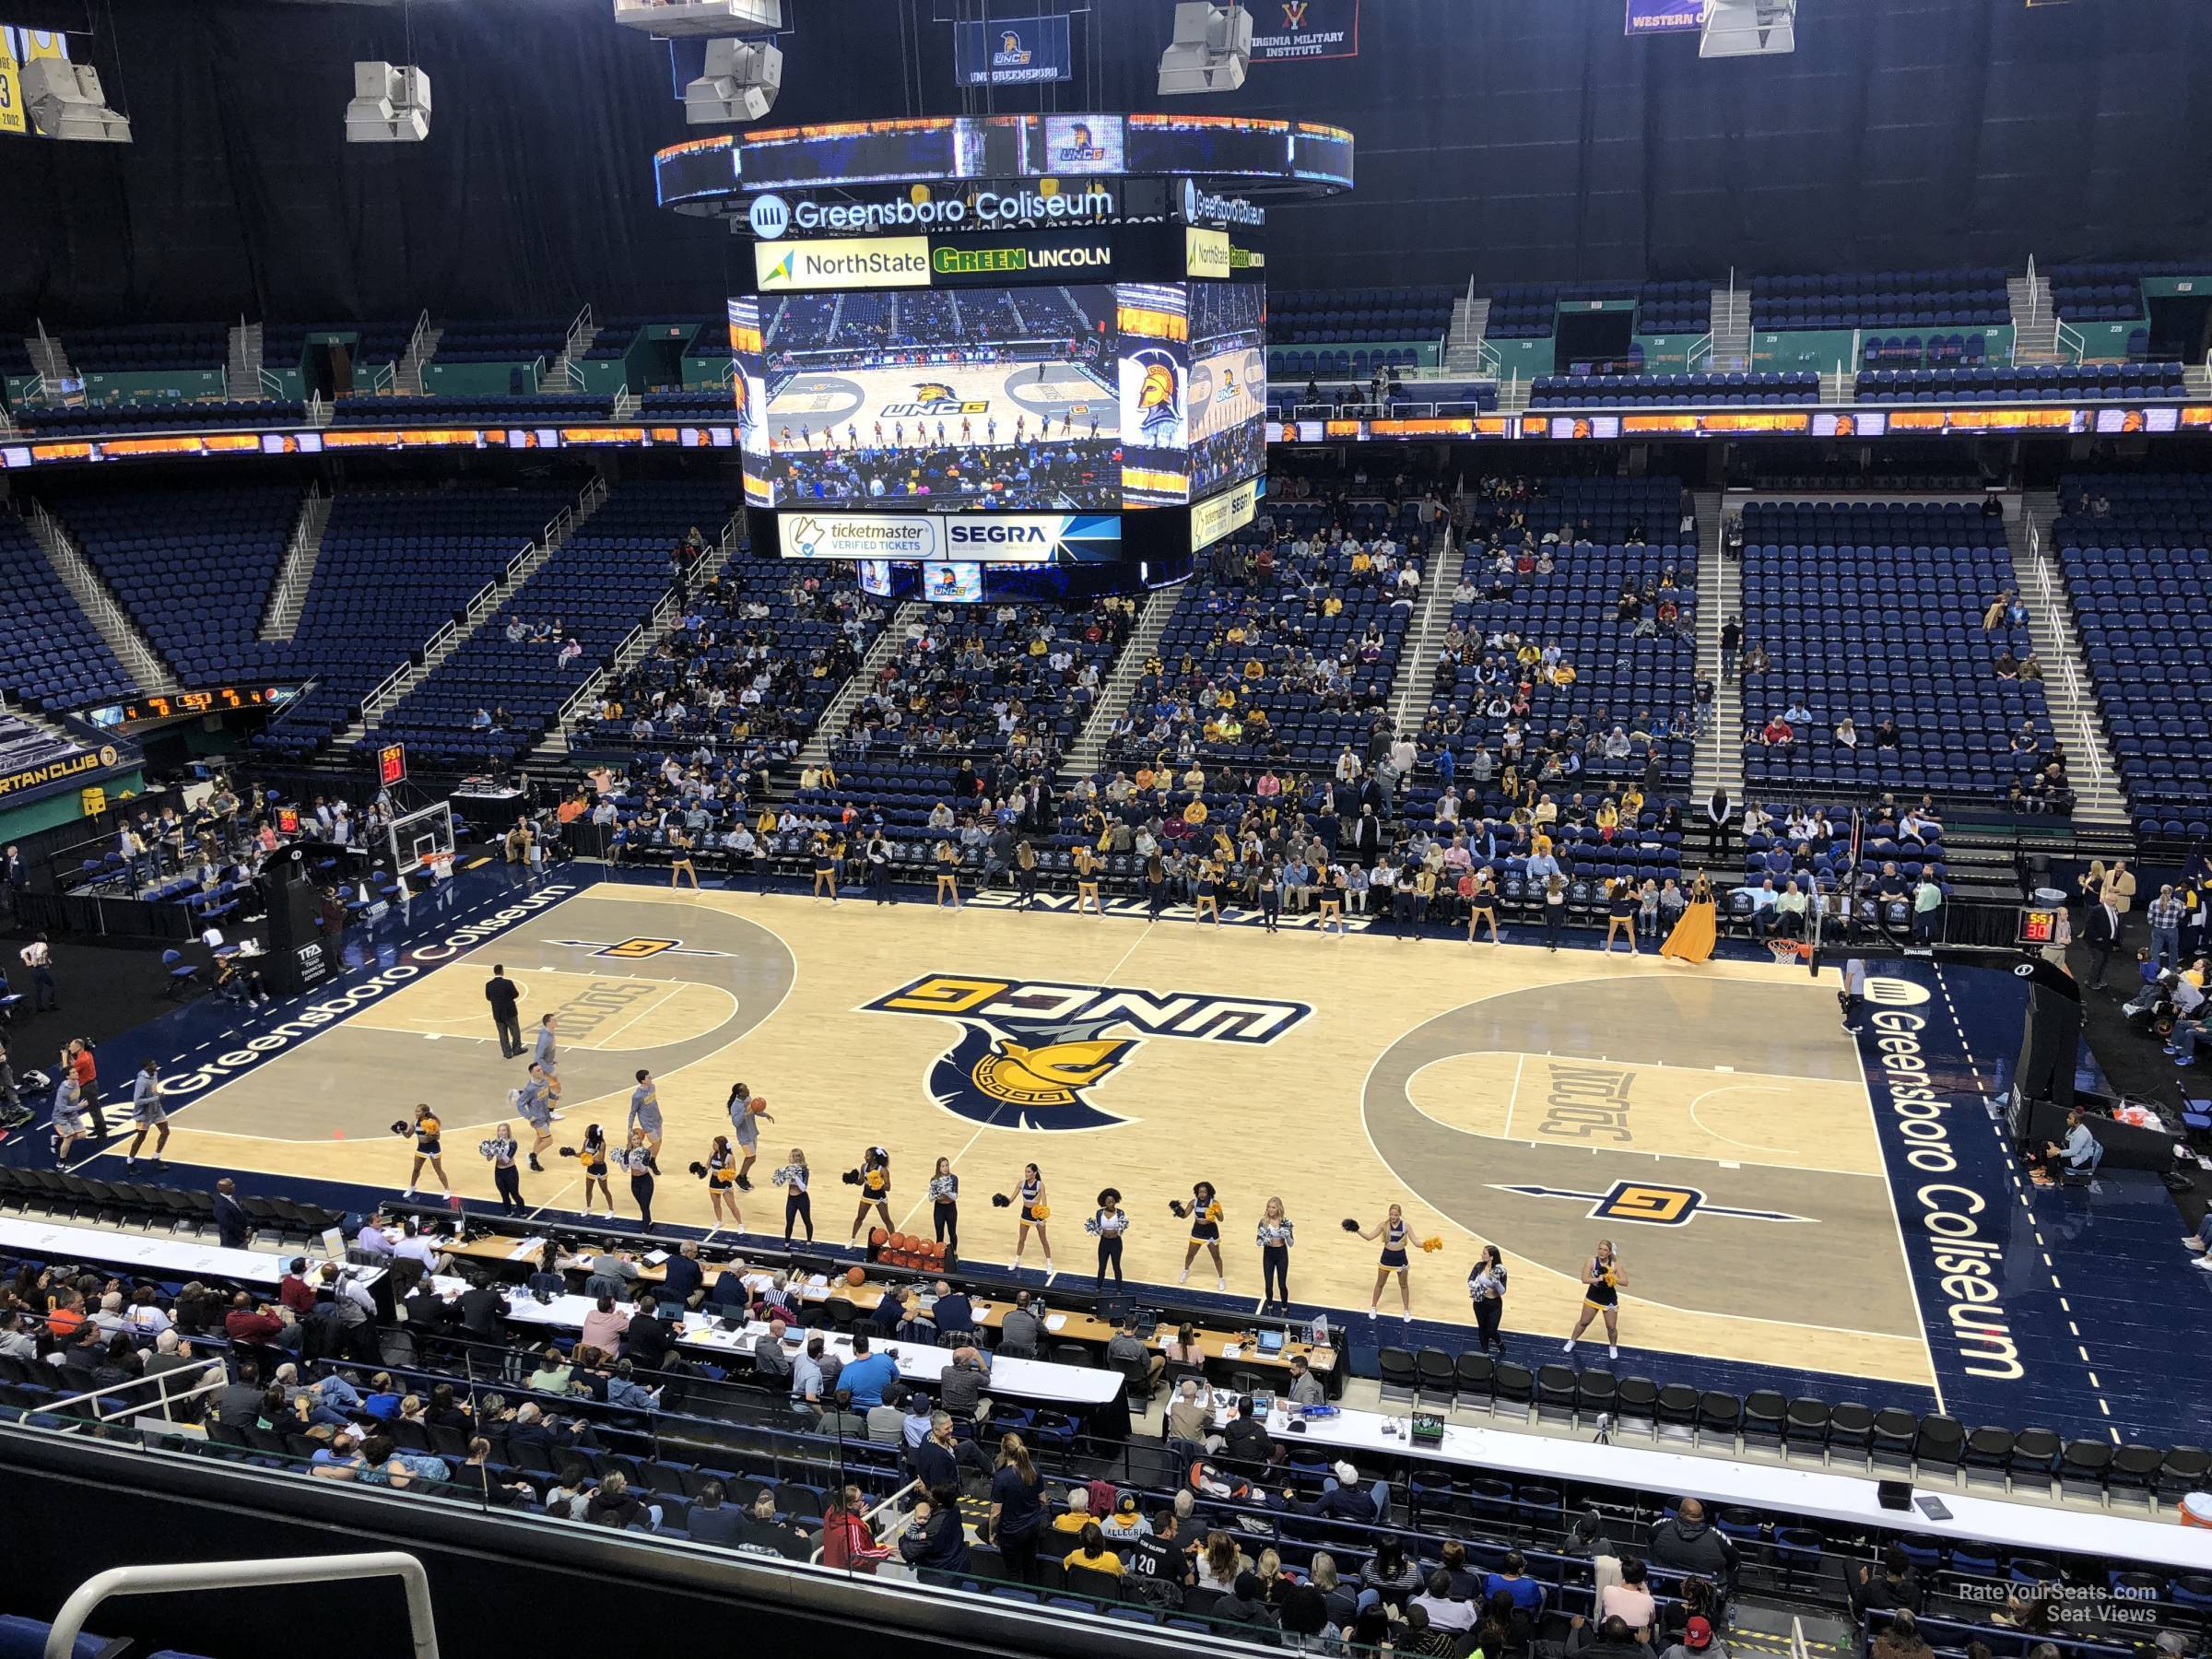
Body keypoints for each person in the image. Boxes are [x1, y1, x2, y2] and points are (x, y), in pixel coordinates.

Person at [987, 1432, 1046, 1583]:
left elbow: (995, 1513)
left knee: (1014, 1572)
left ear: (1004, 1451)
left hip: (1011, 1532)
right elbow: (1043, 1500)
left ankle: (1018, 1602)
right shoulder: (1035, 1469)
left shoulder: (1001, 1478)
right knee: (1030, 1566)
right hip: (1032, 1527)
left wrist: (992, 1534)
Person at [1564, 1239, 1626, 1359]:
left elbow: (1625, 1281)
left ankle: (1613, 1346)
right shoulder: (1591, 1261)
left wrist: (1613, 1278)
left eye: (1605, 1250)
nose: (1602, 1252)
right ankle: (1572, 1341)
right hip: (1593, 1296)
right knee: (1583, 1322)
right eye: (1600, 1249)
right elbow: (1584, 1279)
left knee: (1611, 1327)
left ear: (1609, 1252)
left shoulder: (1615, 1265)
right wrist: (1599, 1279)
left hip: (1609, 1299)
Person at [1361, 1202, 1418, 1320]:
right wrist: (1357, 1230)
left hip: (1401, 1259)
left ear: (1400, 1215)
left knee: (1403, 1285)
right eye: (1391, 1214)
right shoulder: (1383, 1225)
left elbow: (1416, 1242)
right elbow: (1369, 1237)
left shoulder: (1406, 1226)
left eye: (1396, 1215)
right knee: (1380, 1284)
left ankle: (1406, 1310)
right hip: (1386, 1258)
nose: (1393, 1217)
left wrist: (1428, 1245)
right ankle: (1373, 1307)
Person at [1175, 1180, 1226, 1289]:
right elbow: (1184, 1215)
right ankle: (1186, 1270)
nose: (1201, 1194)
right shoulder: (1193, 1202)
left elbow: (1221, 1219)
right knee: (1190, 1254)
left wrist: (1216, 1212)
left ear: (1209, 1192)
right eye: (1200, 1192)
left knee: (1216, 1256)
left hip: (1211, 1231)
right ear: (1197, 1192)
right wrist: (1177, 1210)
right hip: (1197, 1231)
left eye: (1204, 1192)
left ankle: (1221, 1279)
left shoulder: (1214, 1203)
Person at [2033, 1107, 2102, 1185]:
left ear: (2076, 1121)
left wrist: (2057, 1152)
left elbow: (2073, 1152)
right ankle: (2044, 1168)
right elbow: (2066, 1141)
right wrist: (2054, 1146)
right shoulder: (2073, 1128)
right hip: (2071, 1152)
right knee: (2046, 1144)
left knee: (2054, 1154)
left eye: (2070, 1118)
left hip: (2077, 1161)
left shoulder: (2082, 1134)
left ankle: (2049, 1178)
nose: (2067, 1119)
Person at [124, 1059, 170, 1170]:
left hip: (156, 1109)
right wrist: (156, 1097)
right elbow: (137, 1101)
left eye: (155, 1063)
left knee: (165, 1132)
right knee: (141, 1137)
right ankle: (130, 1162)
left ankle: (156, 1157)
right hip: (144, 1113)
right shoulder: (141, 1081)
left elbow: (154, 1090)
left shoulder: (155, 1074)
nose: (155, 1065)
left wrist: (157, 1095)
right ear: (146, 1067)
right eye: (153, 1064)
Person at [1661, 873, 1717, 963]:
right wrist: (1703, 878)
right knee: (1707, 938)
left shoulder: (1698, 898)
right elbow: (1704, 887)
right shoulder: (1710, 896)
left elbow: (1684, 893)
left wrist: (1683, 884)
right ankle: (1708, 953)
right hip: (1706, 924)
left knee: (1690, 937)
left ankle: (1703, 953)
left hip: (1697, 923)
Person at [1009, 1162, 1053, 1274]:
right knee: (1021, 1239)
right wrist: (1003, 1201)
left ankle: (1049, 1263)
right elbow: (1011, 1199)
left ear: (1035, 1173)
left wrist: (1042, 1214)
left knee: (1043, 1240)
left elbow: (1044, 1203)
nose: (1026, 1174)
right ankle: (1017, 1260)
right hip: (1026, 1213)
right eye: (1025, 1171)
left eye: (1028, 1172)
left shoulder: (1040, 1185)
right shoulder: (1021, 1183)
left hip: (1037, 1213)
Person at [727, 1081, 770, 1191]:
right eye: (745, 1089)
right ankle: (741, 1177)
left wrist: (765, 1115)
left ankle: (743, 1175)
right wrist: (744, 1111)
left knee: (751, 1158)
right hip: (744, 1137)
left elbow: (755, 1110)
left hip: (752, 1133)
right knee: (751, 1158)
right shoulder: (735, 1106)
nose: (748, 1090)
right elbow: (736, 1123)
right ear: (740, 1093)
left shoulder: (748, 1099)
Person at [1468, 1242, 1508, 1356]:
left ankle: (1500, 1344)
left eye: (1484, 1253)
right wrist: (1476, 1286)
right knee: (1482, 1327)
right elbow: (1470, 1280)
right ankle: (1485, 1350)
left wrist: (1496, 1282)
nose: (1482, 1254)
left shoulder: (1500, 1270)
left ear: (1491, 1257)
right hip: (1480, 1302)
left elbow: (1502, 1291)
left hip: (1494, 1304)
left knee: (1491, 1330)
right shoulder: (1479, 1266)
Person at [847, 1144, 893, 1242]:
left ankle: (894, 1240)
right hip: (867, 1196)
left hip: (879, 1197)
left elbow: (888, 1187)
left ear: (874, 1157)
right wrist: (853, 1180)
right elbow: (860, 1182)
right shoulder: (864, 1167)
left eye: (867, 1156)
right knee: (859, 1218)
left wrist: (879, 1185)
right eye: (865, 1155)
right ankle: (852, 1239)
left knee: (886, 1220)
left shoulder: (883, 1170)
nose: (865, 1157)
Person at [1256, 1196, 1295, 1310]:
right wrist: (1263, 1239)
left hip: (1281, 1254)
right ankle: (1269, 1306)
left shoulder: (1285, 1222)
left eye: (1273, 1207)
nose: (1270, 1210)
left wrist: (1287, 1235)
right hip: (1268, 1253)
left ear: (1279, 1208)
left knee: (1282, 1284)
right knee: (1268, 1284)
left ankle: (1284, 1308)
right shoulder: (1263, 1222)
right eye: (1269, 1207)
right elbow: (1258, 1242)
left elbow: (1291, 1244)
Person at [1088, 1187, 1131, 1288]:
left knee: (1116, 1266)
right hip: (1104, 1242)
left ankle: (1119, 1289)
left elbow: (1122, 1228)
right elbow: (1098, 1227)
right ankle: (1098, 1288)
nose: (1111, 1204)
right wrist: (1095, 1230)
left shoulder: (1120, 1213)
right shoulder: (1099, 1213)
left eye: (1113, 1202)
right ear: (1104, 1203)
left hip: (1116, 1243)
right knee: (1102, 1266)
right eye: (1108, 1202)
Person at [617, 1127, 656, 1226]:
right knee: (642, 1206)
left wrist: (637, 1161)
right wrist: (620, 1160)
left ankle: (645, 1229)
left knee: (644, 1206)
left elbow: (643, 1169)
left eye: (638, 1139)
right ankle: (649, 1222)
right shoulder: (627, 1152)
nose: (637, 1141)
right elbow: (625, 1169)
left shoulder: (645, 1152)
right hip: (634, 1182)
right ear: (630, 1141)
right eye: (634, 1139)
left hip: (646, 1181)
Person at [483, 1122, 524, 1215]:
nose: (501, 1132)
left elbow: (507, 1160)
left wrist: (501, 1151)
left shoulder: (513, 1143)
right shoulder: (495, 1143)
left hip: (510, 1172)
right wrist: (488, 1152)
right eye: (499, 1130)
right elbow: (489, 1159)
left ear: (508, 1132)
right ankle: (508, 1213)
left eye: (504, 1130)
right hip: (499, 1172)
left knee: (514, 1194)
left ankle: (523, 1212)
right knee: (504, 1194)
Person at [628, 1068, 664, 1172]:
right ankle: (639, 1155)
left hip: (657, 1120)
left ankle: (652, 1161)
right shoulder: (637, 1096)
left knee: (659, 1142)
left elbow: (653, 1104)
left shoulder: (652, 1087)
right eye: (648, 1077)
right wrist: (629, 1127)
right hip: (648, 1124)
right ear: (643, 1081)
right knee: (656, 1144)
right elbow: (632, 1112)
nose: (651, 1078)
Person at [703, 1135, 742, 1230]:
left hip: (725, 1183)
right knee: (716, 1204)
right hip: (713, 1182)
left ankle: (740, 1224)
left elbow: (733, 1173)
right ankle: (719, 1221)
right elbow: (707, 1166)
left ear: (721, 1146)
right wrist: (700, 1168)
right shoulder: (712, 1154)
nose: (713, 1146)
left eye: (715, 1144)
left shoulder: (730, 1157)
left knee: (732, 1206)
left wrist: (724, 1174)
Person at [484, 964, 524, 1058]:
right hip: (510, 1012)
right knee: (515, 1030)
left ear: (494, 972)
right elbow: (515, 994)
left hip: (497, 1013)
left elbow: (488, 998)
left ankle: (507, 1053)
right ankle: (517, 1049)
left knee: (502, 1034)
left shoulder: (489, 985)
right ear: (502, 971)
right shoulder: (508, 983)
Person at [775, 1147, 814, 1241]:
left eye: (790, 1156)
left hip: (802, 1199)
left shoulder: (804, 1171)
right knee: (789, 1223)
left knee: (807, 1221)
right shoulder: (789, 1168)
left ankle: (809, 1242)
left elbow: (804, 1188)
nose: (788, 1157)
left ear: (795, 1158)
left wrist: (795, 1178)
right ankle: (787, 1243)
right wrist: (780, 1176)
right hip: (791, 1199)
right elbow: (779, 1184)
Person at [575, 1123, 613, 1215]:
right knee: (588, 1189)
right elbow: (581, 1154)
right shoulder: (586, 1141)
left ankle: (611, 1210)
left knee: (604, 1190)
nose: (585, 1132)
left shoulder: (602, 1144)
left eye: (587, 1131)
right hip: (591, 1168)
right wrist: (571, 1153)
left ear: (592, 1133)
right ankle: (588, 1207)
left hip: (600, 1169)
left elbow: (600, 1160)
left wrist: (588, 1158)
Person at [928, 1156, 959, 1254]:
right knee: (939, 1234)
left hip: (950, 1208)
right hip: (939, 1208)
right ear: (939, 1168)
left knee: (952, 1233)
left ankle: (954, 1252)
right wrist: (937, 1195)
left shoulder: (954, 1178)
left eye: (946, 1165)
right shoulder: (934, 1180)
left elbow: (954, 1196)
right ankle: (939, 1254)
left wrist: (945, 1192)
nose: (945, 1168)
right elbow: (930, 1198)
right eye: (942, 1166)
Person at [1839, 957, 1868, 1034]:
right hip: (1855, 991)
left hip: (1858, 990)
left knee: (1853, 1007)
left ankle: (1853, 1024)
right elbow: (1849, 977)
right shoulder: (1853, 961)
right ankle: (1847, 1024)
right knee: (1858, 1007)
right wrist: (1847, 991)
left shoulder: (1858, 960)